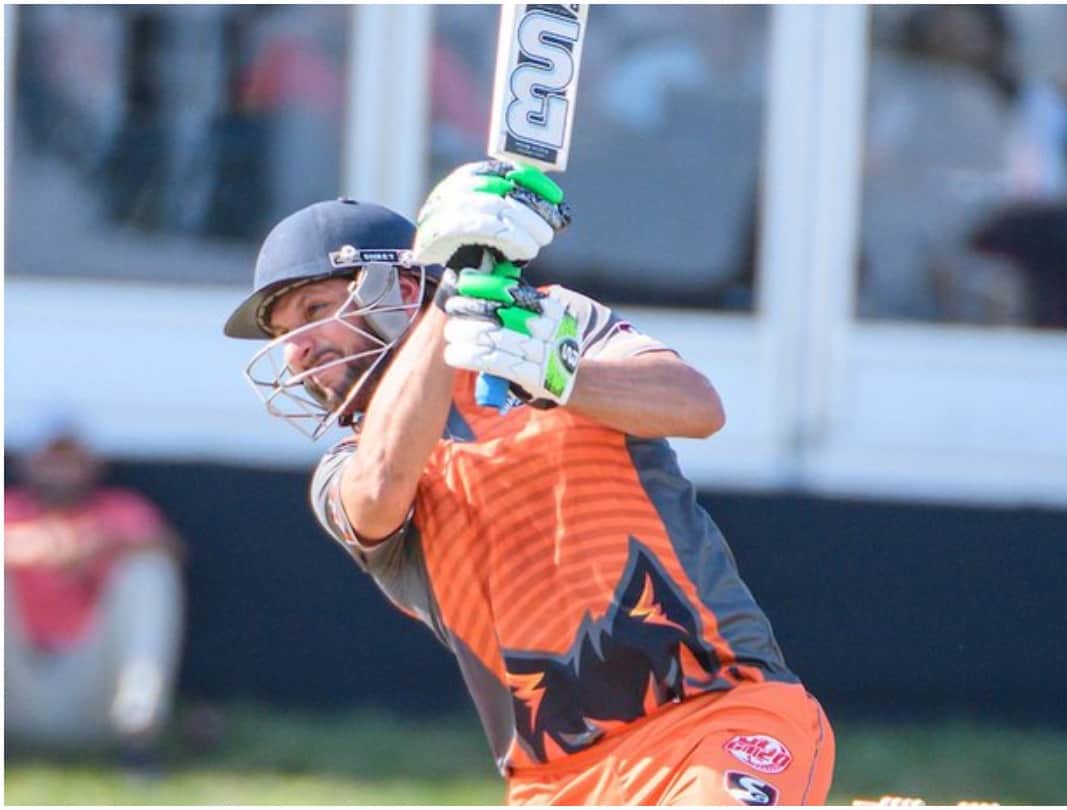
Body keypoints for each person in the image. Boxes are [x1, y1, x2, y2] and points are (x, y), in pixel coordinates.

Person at [223, 161, 835, 805]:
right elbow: (379, 488)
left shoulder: (548, 321)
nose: (296, 349)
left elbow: (697, 406)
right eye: (284, 333)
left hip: (718, 717)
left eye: (315, 310)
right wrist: (451, 297)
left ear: (398, 289)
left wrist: (562, 375)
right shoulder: (344, 467)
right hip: (555, 784)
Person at [5, 424, 185, 760]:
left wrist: (103, 543)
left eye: (70, 462)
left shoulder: (121, 510)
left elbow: (171, 548)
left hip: (94, 692)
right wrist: (31, 546)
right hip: (17, 692)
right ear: (27, 465)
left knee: (149, 570)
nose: (61, 473)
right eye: (51, 462)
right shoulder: (9, 510)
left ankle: (138, 734)